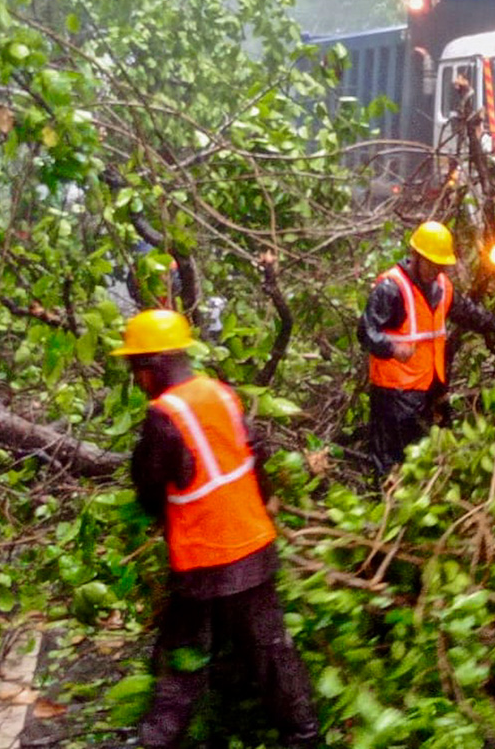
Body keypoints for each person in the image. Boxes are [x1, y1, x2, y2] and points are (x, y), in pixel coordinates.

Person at [111, 309, 319, 749]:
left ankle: (157, 740)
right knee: (270, 650)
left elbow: (149, 489)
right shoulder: (222, 394)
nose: (136, 379)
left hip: (204, 559)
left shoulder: (164, 417)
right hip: (254, 545)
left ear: (153, 365)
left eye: (136, 368)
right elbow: (255, 454)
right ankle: (302, 734)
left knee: (183, 657)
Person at [357, 221, 495, 477]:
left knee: (428, 456)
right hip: (395, 393)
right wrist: (391, 348)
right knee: (392, 462)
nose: (437, 270)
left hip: (430, 386)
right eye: (433, 264)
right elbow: (366, 332)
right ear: (417, 257)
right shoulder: (391, 288)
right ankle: (388, 508)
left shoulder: (442, 287)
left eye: (441, 265)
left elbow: (466, 312)